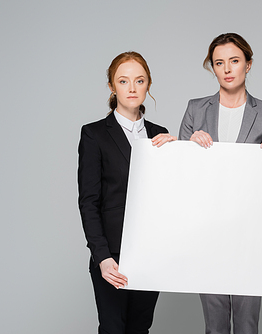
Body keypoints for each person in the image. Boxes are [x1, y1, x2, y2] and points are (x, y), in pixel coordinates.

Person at [179, 33, 262, 334]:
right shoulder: (196, 109)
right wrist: (187, 144)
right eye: (219, 62)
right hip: (206, 230)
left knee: (248, 325)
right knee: (214, 326)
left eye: (234, 61)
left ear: (247, 65)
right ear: (212, 67)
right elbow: (179, 174)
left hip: (250, 232)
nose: (227, 69)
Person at [78, 51, 176, 333]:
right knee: (113, 328)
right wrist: (102, 257)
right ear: (112, 86)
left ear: (148, 84)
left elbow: (169, 199)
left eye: (139, 80)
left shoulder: (160, 134)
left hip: (151, 254)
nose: (132, 88)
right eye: (123, 81)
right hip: (112, 256)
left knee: (140, 328)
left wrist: (178, 153)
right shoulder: (94, 134)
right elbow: (89, 202)